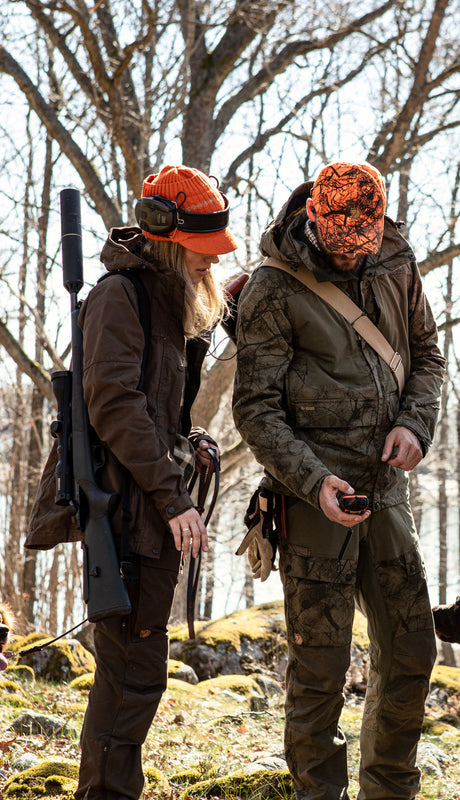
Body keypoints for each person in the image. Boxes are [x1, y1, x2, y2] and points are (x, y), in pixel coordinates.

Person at [232, 161, 445, 800]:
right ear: (316, 222)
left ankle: (389, 791)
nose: (355, 257)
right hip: (312, 501)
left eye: (366, 245)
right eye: (342, 247)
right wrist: (314, 480)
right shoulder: (274, 287)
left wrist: (415, 424)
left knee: (411, 651)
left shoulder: (396, 262)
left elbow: (428, 357)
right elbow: (256, 409)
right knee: (320, 670)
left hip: (388, 493)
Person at [30, 165, 237, 799]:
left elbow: (150, 409)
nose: (209, 266)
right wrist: (174, 498)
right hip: (127, 519)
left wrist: (186, 443)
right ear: (167, 239)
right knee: (131, 678)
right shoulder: (122, 296)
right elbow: (115, 404)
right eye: (201, 254)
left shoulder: (162, 303)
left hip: (143, 514)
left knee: (131, 677)